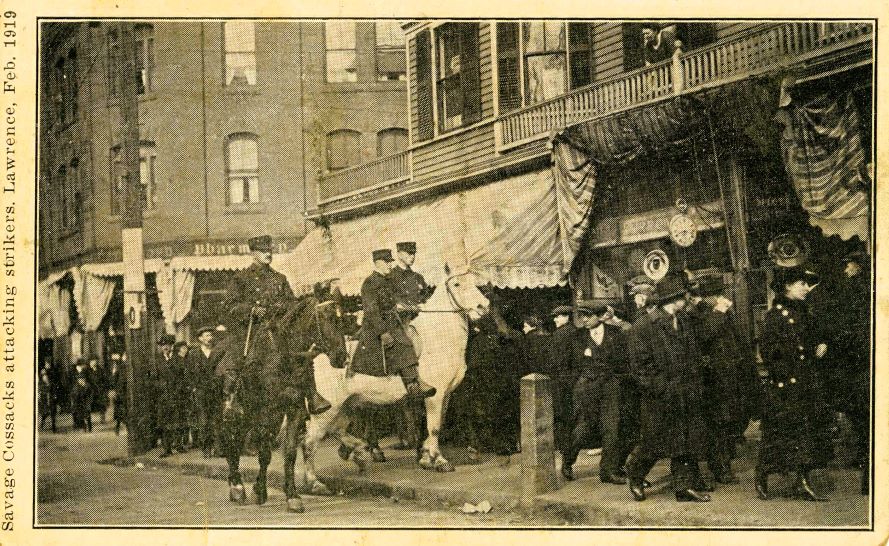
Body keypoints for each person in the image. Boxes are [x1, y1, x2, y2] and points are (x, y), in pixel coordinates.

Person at [625, 274, 711, 502]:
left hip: (684, 391)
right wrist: (662, 388)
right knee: (653, 443)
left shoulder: (682, 320)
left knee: (684, 439)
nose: (688, 299)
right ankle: (635, 473)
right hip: (659, 396)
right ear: (673, 299)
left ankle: (684, 487)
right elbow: (640, 367)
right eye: (684, 296)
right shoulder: (644, 326)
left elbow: (692, 354)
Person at [755, 266, 832, 502]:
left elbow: (816, 334)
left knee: (805, 434)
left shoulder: (804, 312)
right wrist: (787, 375)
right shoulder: (775, 316)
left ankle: (802, 481)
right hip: (786, 386)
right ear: (788, 286)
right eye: (802, 284)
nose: (807, 288)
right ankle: (762, 474)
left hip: (805, 383)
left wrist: (822, 343)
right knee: (779, 435)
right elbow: (768, 352)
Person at [685, 273, 754, 485]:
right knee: (718, 425)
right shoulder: (696, 314)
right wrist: (718, 312)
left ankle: (724, 461)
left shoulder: (721, 311)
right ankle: (721, 468)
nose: (720, 298)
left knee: (731, 420)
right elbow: (703, 336)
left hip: (731, 375)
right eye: (716, 295)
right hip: (713, 379)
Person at [351, 248, 436, 400]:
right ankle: (412, 385)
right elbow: (371, 311)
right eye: (387, 262)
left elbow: (395, 301)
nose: (390, 265)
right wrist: (383, 332)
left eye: (390, 262)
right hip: (375, 327)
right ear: (378, 262)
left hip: (392, 322)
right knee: (403, 344)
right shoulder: (369, 283)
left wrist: (409, 307)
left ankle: (414, 380)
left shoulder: (387, 281)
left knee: (406, 338)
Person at [561, 302, 629, 484]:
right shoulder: (576, 336)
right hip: (586, 387)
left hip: (610, 387)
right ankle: (568, 460)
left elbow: (624, 360)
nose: (584, 319)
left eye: (588, 315)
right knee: (583, 428)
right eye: (581, 315)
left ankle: (608, 471)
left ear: (599, 316)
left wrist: (617, 380)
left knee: (611, 428)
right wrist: (576, 383)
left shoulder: (616, 333)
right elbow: (567, 364)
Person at [831, 251, 870, 495]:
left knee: (863, 420)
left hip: (859, 366)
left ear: (858, 268)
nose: (846, 270)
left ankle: (868, 475)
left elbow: (849, 330)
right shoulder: (868, 288)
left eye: (849, 265)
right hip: (866, 364)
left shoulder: (853, 291)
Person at [188, 326, 226, 458]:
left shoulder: (218, 352)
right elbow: (188, 373)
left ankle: (218, 448)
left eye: (210, 335)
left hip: (215, 391)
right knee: (203, 421)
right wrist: (193, 388)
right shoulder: (193, 354)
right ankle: (206, 449)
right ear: (200, 338)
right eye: (206, 336)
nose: (210, 338)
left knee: (217, 420)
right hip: (201, 392)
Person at [548, 304, 577, 464]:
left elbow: (555, 360)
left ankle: (565, 447)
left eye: (558, 317)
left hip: (561, 380)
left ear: (566, 317)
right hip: (573, 379)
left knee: (562, 414)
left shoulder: (560, 334)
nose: (555, 320)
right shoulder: (576, 331)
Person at [156, 335, 189, 457]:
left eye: (168, 345)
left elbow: (183, 377)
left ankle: (179, 445)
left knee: (178, 420)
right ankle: (167, 448)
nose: (165, 347)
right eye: (163, 345)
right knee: (165, 423)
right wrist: (160, 387)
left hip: (177, 395)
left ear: (171, 346)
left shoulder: (178, 359)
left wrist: (179, 389)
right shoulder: (157, 361)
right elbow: (153, 378)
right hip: (163, 396)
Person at [70, 357, 93, 433]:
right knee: (77, 412)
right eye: (81, 365)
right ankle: (80, 426)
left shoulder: (85, 372)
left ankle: (88, 427)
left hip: (84, 398)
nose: (82, 366)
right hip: (76, 396)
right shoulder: (72, 371)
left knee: (86, 413)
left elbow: (89, 390)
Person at [38, 362, 58, 433]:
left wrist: (55, 395)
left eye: (46, 376)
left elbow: (54, 390)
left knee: (53, 413)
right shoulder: (41, 384)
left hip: (51, 399)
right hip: (45, 400)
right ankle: (42, 423)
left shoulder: (51, 383)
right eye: (44, 376)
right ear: (42, 377)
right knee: (45, 413)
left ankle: (53, 427)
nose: (45, 378)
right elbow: (40, 391)